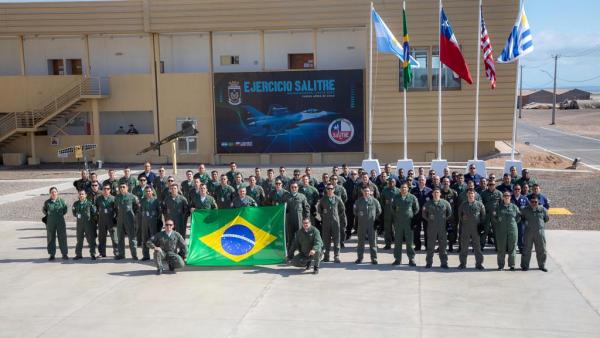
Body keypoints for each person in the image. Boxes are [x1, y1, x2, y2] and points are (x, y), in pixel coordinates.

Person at [422, 188, 452, 269]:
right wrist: (430, 220)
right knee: (430, 246)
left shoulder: (445, 203)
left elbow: (449, 213)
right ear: (432, 194)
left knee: (443, 246)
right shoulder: (428, 204)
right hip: (431, 227)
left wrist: (443, 220)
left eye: (437, 192)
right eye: (434, 192)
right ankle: (429, 263)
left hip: (442, 228)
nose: (436, 194)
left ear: (440, 194)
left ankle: (444, 263)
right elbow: (424, 214)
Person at [391, 183, 419, 266]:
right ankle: (397, 259)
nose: (404, 189)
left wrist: (411, 216)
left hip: (408, 222)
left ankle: (411, 259)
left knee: (409, 242)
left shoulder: (412, 197)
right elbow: (392, 208)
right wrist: (397, 216)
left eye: (405, 187)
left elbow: (416, 208)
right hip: (398, 223)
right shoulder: (396, 197)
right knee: (397, 242)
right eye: (402, 187)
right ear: (400, 189)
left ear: (408, 189)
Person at [317, 183, 346, 263]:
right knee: (326, 240)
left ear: (334, 189)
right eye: (328, 189)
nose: (330, 190)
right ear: (326, 190)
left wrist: (337, 216)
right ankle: (326, 256)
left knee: (336, 240)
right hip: (326, 223)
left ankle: (336, 256)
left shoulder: (337, 199)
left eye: (331, 189)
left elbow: (342, 209)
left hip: (335, 222)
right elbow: (319, 209)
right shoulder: (323, 199)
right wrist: (323, 216)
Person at [458, 190, 486, 270]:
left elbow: (483, 215)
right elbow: (459, 215)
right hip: (465, 228)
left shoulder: (479, 204)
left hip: (475, 229)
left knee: (477, 247)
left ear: (475, 195)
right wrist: (463, 220)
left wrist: (481, 226)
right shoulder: (463, 205)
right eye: (469, 194)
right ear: (467, 195)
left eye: (472, 194)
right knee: (464, 247)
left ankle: (479, 264)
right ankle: (462, 263)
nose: (471, 195)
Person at [520, 196, 550, 272]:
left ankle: (542, 265)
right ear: (529, 202)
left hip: (539, 232)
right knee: (526, 249)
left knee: (541, 249)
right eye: (532, 202)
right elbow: (522, 219)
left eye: (535, 202)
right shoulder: (525, 210)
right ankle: (525, 266)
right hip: (528, 232)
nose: (533, 203)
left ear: (538, 202)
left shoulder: (542, 209)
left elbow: (546, 219)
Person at [354, 186, 382, 264]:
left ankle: (374, 258)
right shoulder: (358, 201)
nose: (366, 192)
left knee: (373, 242)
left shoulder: (375, 201)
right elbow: (355, 211)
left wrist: (374, 218)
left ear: (370, 192)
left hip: (372, 224)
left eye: (368, 191)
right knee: (360, 242)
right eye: (365, 191)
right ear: (362, 192)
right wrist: (360, 215)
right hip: (361, 224)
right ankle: (359, 258)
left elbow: (379, 211)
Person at [494, 191, 521, 270]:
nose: (506, 197)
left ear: (510, 197)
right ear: (502, 197)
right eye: (505, 195)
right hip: (501, 231)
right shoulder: (498, 208)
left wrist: (513, 223)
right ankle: (501, 265)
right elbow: (494, 218)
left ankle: (512, 265)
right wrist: (499, 221)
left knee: (512, 248)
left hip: (512, 230)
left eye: (508, 196)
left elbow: (519, 217)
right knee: (501, 248)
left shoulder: (514, 207)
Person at [42, 187, 69, 260]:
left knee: (62, 237)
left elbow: (65, 210)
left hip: (60, 222)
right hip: (51, 222)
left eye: (55, 192)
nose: (54, 193)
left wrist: (59, 215)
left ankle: (64, 254)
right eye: (52, 192)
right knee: (50, 238)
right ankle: (52, 254)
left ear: (57, 193)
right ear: (50, 193)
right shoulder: (47, 202)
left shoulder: (61, 201)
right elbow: (44, 210)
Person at [115, 183, 140, 260]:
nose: (122, 188)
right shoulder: (117, 197)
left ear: (127, 188)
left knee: (132, 237)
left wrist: (134, 217)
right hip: (120, 220)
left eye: (123, 187)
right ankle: (121, 254)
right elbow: (116, 207)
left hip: (129, 219)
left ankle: (134, 255)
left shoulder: (132, 197)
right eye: (120, 187)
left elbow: (137, 207)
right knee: (120, 237)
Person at [72, 189, 97, 260]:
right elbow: (74, 212)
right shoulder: (76, 204)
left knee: (90, 239)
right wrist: (77, 214)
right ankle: (78, 254)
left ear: (85, 195)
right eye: (80, 194)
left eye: (82, 194)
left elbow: (94, 212)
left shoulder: (89, 203)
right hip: (80, 224)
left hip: (88, 224)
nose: (81, 195)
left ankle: (92, 254)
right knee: (79, 239)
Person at [285, 182, 310, 252]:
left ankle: (302, 253)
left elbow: (306, 208)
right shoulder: (286, 197)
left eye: (295, 187)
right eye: (292, 187)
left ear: (298, 188)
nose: (294, 189)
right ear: (290, 188)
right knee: (290, 237)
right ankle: (290, 254)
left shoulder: (302, 196)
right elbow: (283, 208)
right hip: (289, 220)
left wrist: (307, 219)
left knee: (301, 237)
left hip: (299, 220)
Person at [96, 183, 118, 258]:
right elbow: (95, 209)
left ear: (110, 190)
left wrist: (116, 220)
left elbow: (117, 210)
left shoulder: (114, 198)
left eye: (108, 189)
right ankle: (102, 253)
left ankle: (117, 252)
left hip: (111, 221)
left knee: (114, 238)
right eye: (104, 189)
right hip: (101, 221)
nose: (106, 190)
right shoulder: (98, 198)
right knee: (101, 238)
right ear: (102, 190)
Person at [410, 175, 432, 251]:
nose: (421, 181)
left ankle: (427, 245)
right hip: (416, 214)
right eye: (420, 180)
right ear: (417, 181)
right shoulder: (413, 191)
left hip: (426, 214)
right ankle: (417, 245)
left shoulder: (430, 191)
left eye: (423, 180)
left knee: (427, 231)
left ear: (425, 181)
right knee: (416, 231)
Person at [140, 186, 161, 261]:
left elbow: (159, 212)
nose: (148, 192)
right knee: (145, 238)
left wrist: (156, 220)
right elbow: (140, 210)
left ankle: (157, 256)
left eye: (149, 191)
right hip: (145, 222)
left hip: (153, 222)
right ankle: (146, 255)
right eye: (146, 191)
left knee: (155, 239)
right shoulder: (142, 200)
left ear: (152, 192)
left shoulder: (156, 200)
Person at [480, 179, 502, 250]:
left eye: (492, 184)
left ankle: (498, 247)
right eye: (489, 185)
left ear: (495, 185)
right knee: (484, 231)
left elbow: (501, 205)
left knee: (496, 232)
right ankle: (481, 246)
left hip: (495, 216)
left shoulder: (499, 193)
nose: (491, 186)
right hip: (486, 215)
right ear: (487, 185)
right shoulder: (483, 193)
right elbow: (481, 204)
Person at [440, 177, 458, 252]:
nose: (446, 183)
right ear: (442, 183)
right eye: (444, 182)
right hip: (441, 216)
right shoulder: (439, 192)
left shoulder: (454, 193)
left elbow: (457, 205)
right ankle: (442, 247)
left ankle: (450, 246)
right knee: (441, 233)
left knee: (451, 232)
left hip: (451, 217)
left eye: (447, 182)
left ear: (449, 183)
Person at [381, 178, 399, 250]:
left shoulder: (398, 191)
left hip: (396, 213)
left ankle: (397, 244)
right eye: (390, 182)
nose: (391, 183)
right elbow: (382, 201)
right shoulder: (385, 190)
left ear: (395, 183)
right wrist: (385, 207)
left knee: (397, 229)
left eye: (393, 182)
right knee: (387, 229)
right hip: (387, 212)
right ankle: (388, 244)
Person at [511, 184, 529, 253]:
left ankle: (521, 247)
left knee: (521, 233)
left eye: (518, 189)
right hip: (512, 219)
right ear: (513, 190)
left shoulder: (525, 198)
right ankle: (512, 247)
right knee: (512, 233)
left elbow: (528, 208)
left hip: (521, 220)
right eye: (515, 189)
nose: (517, 191)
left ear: (521, 190)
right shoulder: (510, 198)